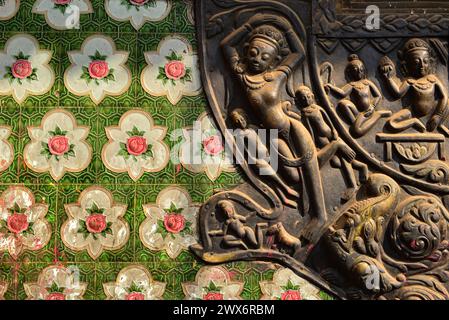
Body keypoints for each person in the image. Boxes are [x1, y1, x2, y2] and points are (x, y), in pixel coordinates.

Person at [221, 13, 327, 241]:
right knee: (294, 177)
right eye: (253, 53)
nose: (257, 59)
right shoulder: (243, 75)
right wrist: (252, 22)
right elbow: (225, 45)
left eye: (264, 57)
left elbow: (299, 53)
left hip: (291, 127)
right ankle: (329, 155)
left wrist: (287, 28)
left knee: (310, 170)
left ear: (274, 60)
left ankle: (319, 215)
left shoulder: (276, 76)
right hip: (272, 136)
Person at [378, 38, 449, 132]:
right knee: (391, 124)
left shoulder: (433, 79)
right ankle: (413, 122)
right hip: (412, 112)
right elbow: (397, 93)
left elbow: (444, 96)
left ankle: (440, 124)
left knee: (447, 104)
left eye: (425, 61)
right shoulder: (410, 81)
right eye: (416, 62)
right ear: (407, 65)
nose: (422, 66)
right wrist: (388, 78)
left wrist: (438, 115)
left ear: (430, 62)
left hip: (433, 113)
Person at [325, 54, 391, 137]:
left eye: (361, 69)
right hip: (358, 113)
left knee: (356, 132)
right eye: (355, 70)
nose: (359, 72)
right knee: (343, 103)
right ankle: (355, 124)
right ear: (350, 72)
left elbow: (378, 96)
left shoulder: (367, 83)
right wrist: (331, 87)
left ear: (363, 70)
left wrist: (372, 106)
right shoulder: (352, 85)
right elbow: (342, 93)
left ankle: (378, 115)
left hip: (368, 111)